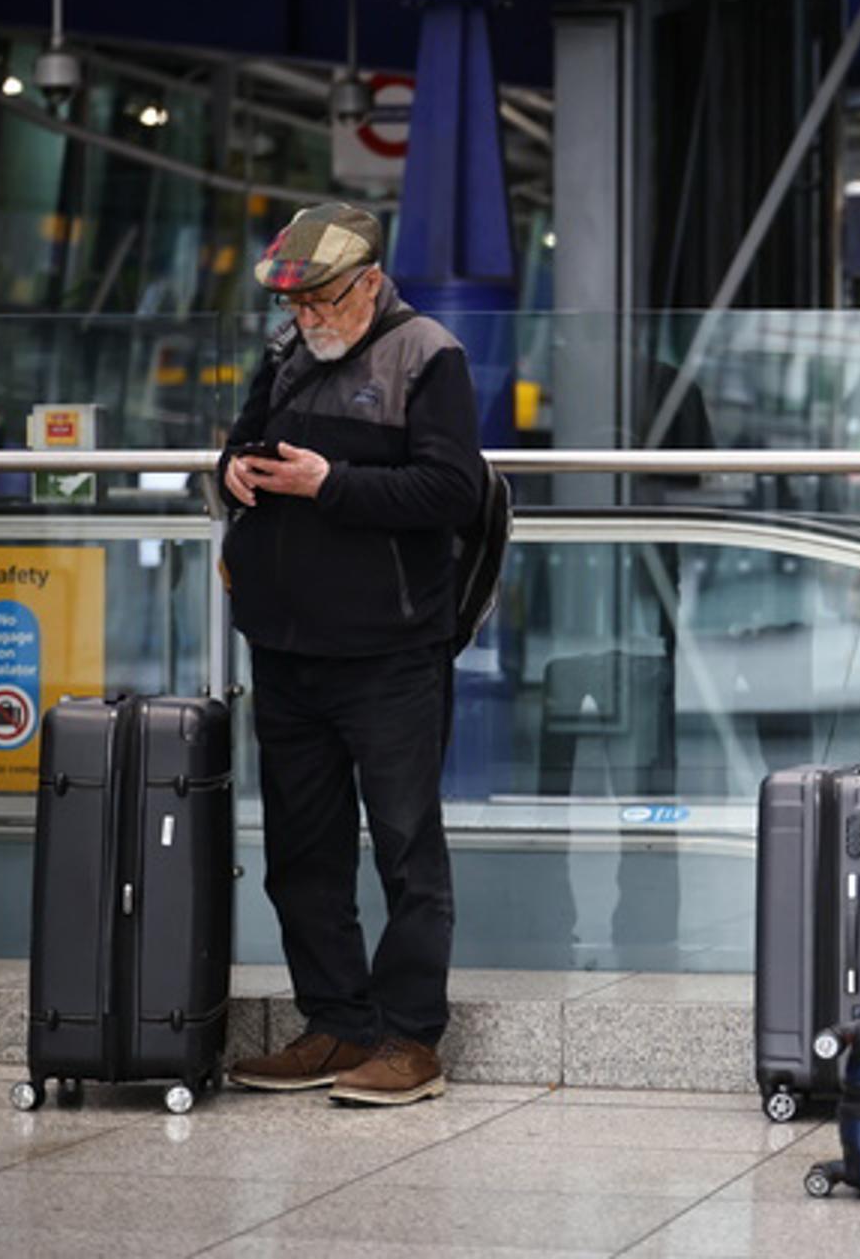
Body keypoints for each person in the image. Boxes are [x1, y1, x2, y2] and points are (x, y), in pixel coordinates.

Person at [219, 203, 483, 1106]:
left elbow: (452, 488)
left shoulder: (428, 355)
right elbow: (236, 448)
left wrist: (331, 485)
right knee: (301, 849)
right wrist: (233, 472)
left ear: (371, 281)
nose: (311, 320)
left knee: (407, 846)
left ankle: (411, 1038)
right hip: (287, 647)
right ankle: (333, 1019)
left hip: (389, 651)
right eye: (299, 307)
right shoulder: (287, 353)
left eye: (326, 301)